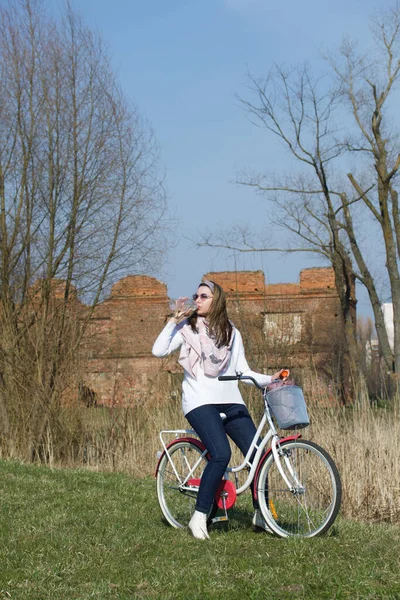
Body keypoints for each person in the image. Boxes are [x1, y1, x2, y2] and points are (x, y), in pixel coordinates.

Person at [152, 279, 288, 540]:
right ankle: (199, 516)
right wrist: (172, 321)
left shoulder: (231, 333)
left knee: (258, 455)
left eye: (204, 296)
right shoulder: (186, 328)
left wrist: (270, 378)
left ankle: (263, 514)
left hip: (230, 399)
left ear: (217, 301)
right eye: (196, 295)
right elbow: (158, 351)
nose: (197, 300)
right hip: (199, 401)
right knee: (221, 453)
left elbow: (242, 371)